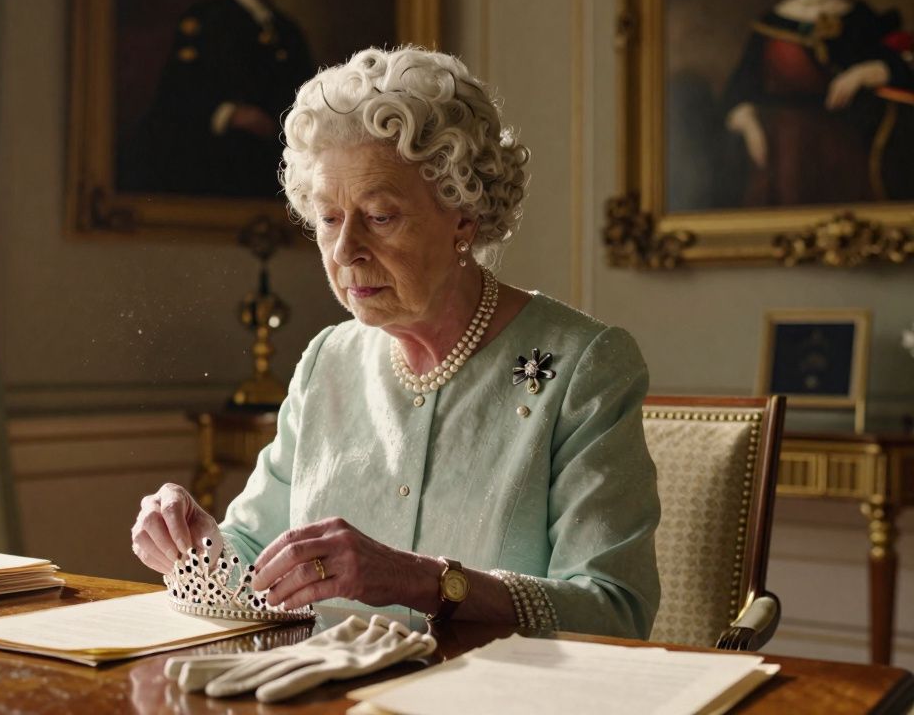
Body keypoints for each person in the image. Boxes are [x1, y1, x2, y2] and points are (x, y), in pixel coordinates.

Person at [132, 47, 661, 638]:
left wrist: (423, 581)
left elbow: (616, 611)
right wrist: (195, 542)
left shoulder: (584, 365)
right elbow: (254, 559)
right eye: (329, 219)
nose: (345, 250)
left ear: (464, 216)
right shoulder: (325, 362)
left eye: (380, 217)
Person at [723, 0, 914, 206]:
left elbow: (895, 65)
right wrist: (749, 123)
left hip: (844, 137)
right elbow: (739, 88)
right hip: (785, 145)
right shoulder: (772, 20)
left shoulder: (858, 15)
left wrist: (863, 73)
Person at [119, 0, 315, 198]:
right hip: (216, 161)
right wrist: (230, 114)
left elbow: (305, 96)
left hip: (276, 163)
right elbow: (177, 93)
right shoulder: (205, 19)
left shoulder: (287, 30)